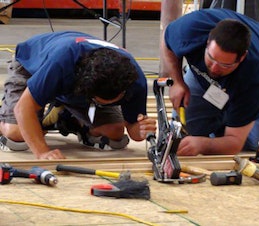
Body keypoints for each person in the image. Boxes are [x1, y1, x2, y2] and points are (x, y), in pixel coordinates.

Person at [0, 31, 156, 160]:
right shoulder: (62, 62)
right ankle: (7, 116)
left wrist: (141, 130)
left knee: (114, 132)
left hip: (74, 81)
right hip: (31, 65)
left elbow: (134, 130)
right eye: (98, 101)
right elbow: (22, 108)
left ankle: (68, 118)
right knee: (17, 134)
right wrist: (42, 151)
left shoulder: (133, 79)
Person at [160, 9, 259, 156]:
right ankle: (223, 120)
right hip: (200, 75)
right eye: (211, 59)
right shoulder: (191, 29)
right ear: (208, 43)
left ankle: (232, 118)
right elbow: (167, 40)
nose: (215, 69)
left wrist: (203, 145)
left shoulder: (256, 71)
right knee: (187, 130)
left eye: (225, 65)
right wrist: (178, 81)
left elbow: (235, 143)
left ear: (241, 58)